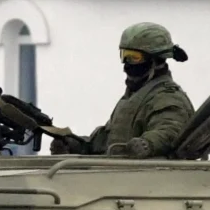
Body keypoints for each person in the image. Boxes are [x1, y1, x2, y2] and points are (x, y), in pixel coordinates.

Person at [50, 22, 194, 158]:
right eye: (124, 55)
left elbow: (171, 129)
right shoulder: (134, 96)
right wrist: (76, 144)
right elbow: (111, 140)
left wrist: (148, 143)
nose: (127, 63)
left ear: (156, 60)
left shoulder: (167, 96)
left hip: (146, 178)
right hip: (119, 176)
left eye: (134, 57)